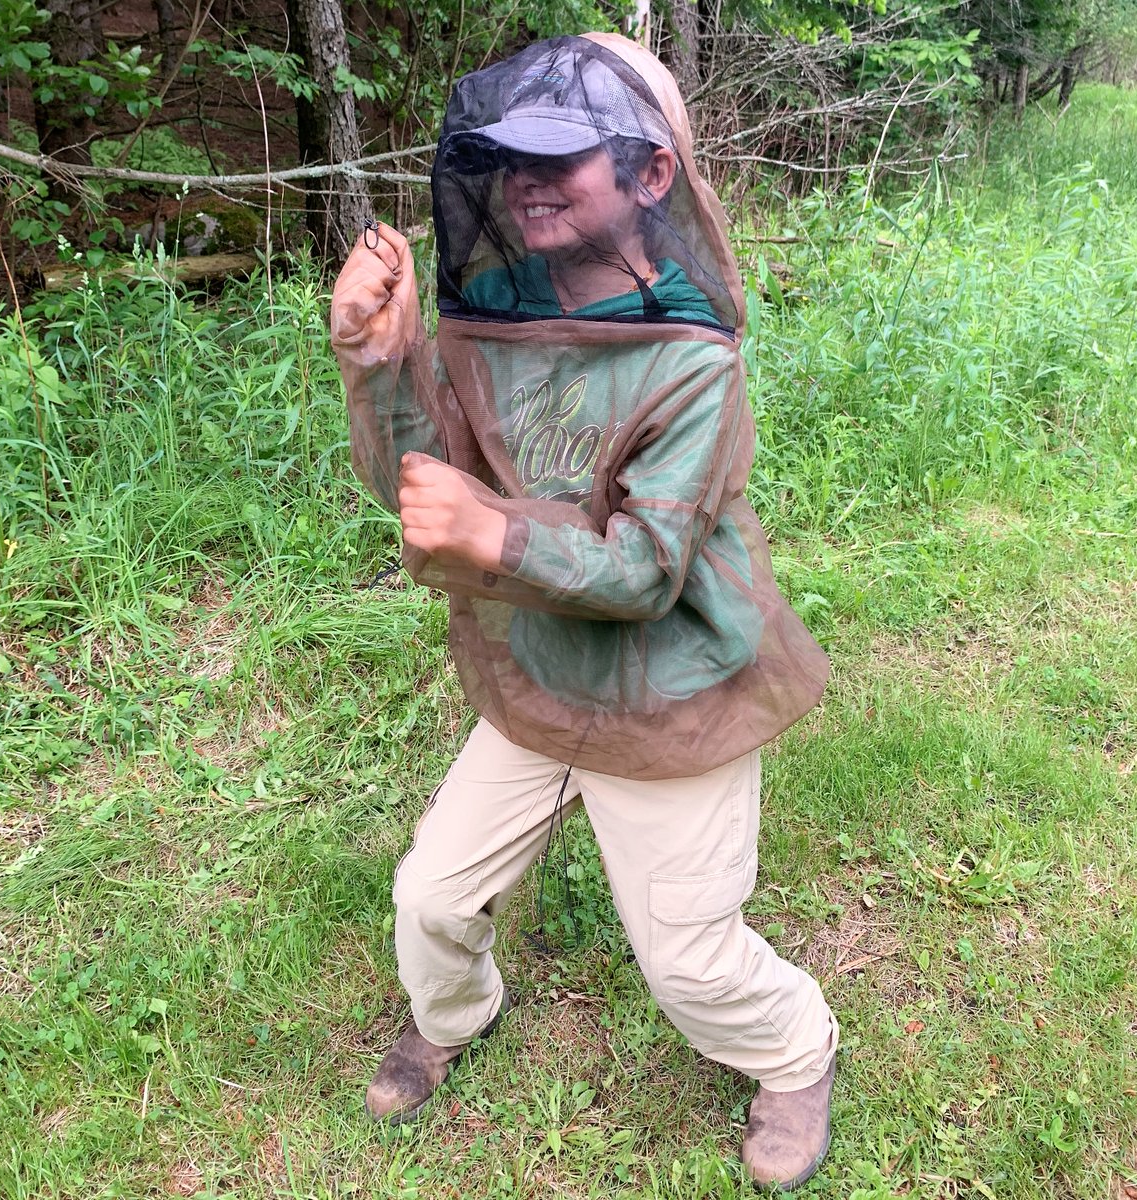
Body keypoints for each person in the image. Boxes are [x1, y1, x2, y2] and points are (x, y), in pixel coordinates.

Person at [329, 33, 838, 1190]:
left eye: (565, 156)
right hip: (543, 674)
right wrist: (377, 360)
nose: (528, 180)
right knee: (432, 895)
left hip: (670, 698)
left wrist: (496, 533)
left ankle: (797, 1051)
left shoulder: (695, 364)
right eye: (509, 158)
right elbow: (428, 490)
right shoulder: (499, 323)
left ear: (652, 174)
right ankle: (453, 1017)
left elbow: (646, 568)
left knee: (692, 962)